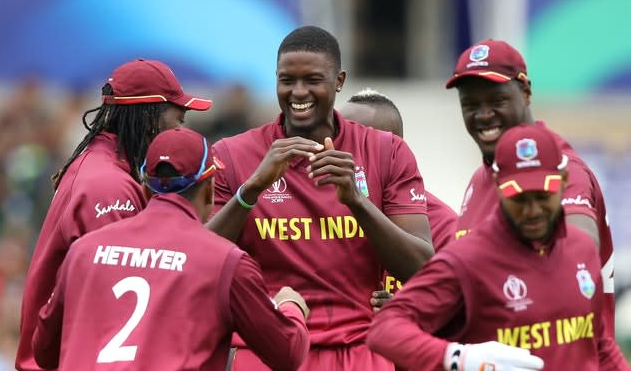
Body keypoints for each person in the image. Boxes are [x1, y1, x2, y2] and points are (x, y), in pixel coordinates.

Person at [207, 25, 434, 370]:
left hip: (358, 350)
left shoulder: (386, 151)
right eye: (287, 80)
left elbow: (421, 265)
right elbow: (199, 260)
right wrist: (250, 191)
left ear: (339, 81)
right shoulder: (233, 154)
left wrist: (357, 202)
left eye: (312, 79)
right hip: (268, 352)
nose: (298, 92)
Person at [31, 127, 310, 370]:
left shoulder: (84, 251)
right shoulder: (225, 261)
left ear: (145, 190)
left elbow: (44, 352)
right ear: (209, 190)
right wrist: (291, 306)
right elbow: (287, 353)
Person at [367, 124, 629, 370]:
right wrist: (461, 358)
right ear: (497, 187)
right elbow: (385, 330)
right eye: (520, 198)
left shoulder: (582, 248)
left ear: (562, 182)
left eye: (542, 196)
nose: (533, 211)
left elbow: (599, 345)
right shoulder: (466, 259)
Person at [17, 59, 213, 371]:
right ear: (149, 119)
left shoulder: (101, 166)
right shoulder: (110, 189)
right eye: (179, 120)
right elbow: (119, 313)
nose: (180, 132)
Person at [446, 39, 618, 340]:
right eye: (470, 105)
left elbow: (580, 253)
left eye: (497, 101)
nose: (483, 115)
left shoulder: (564, 170)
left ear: (526, 92)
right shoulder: (480, 178)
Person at [340, 88, 457, 302]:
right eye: (341, 142)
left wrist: (407, 309)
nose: (347, 158)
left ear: (396, 150)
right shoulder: (322, 214)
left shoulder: (445, 227)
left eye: (361, 145)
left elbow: (462, 308)